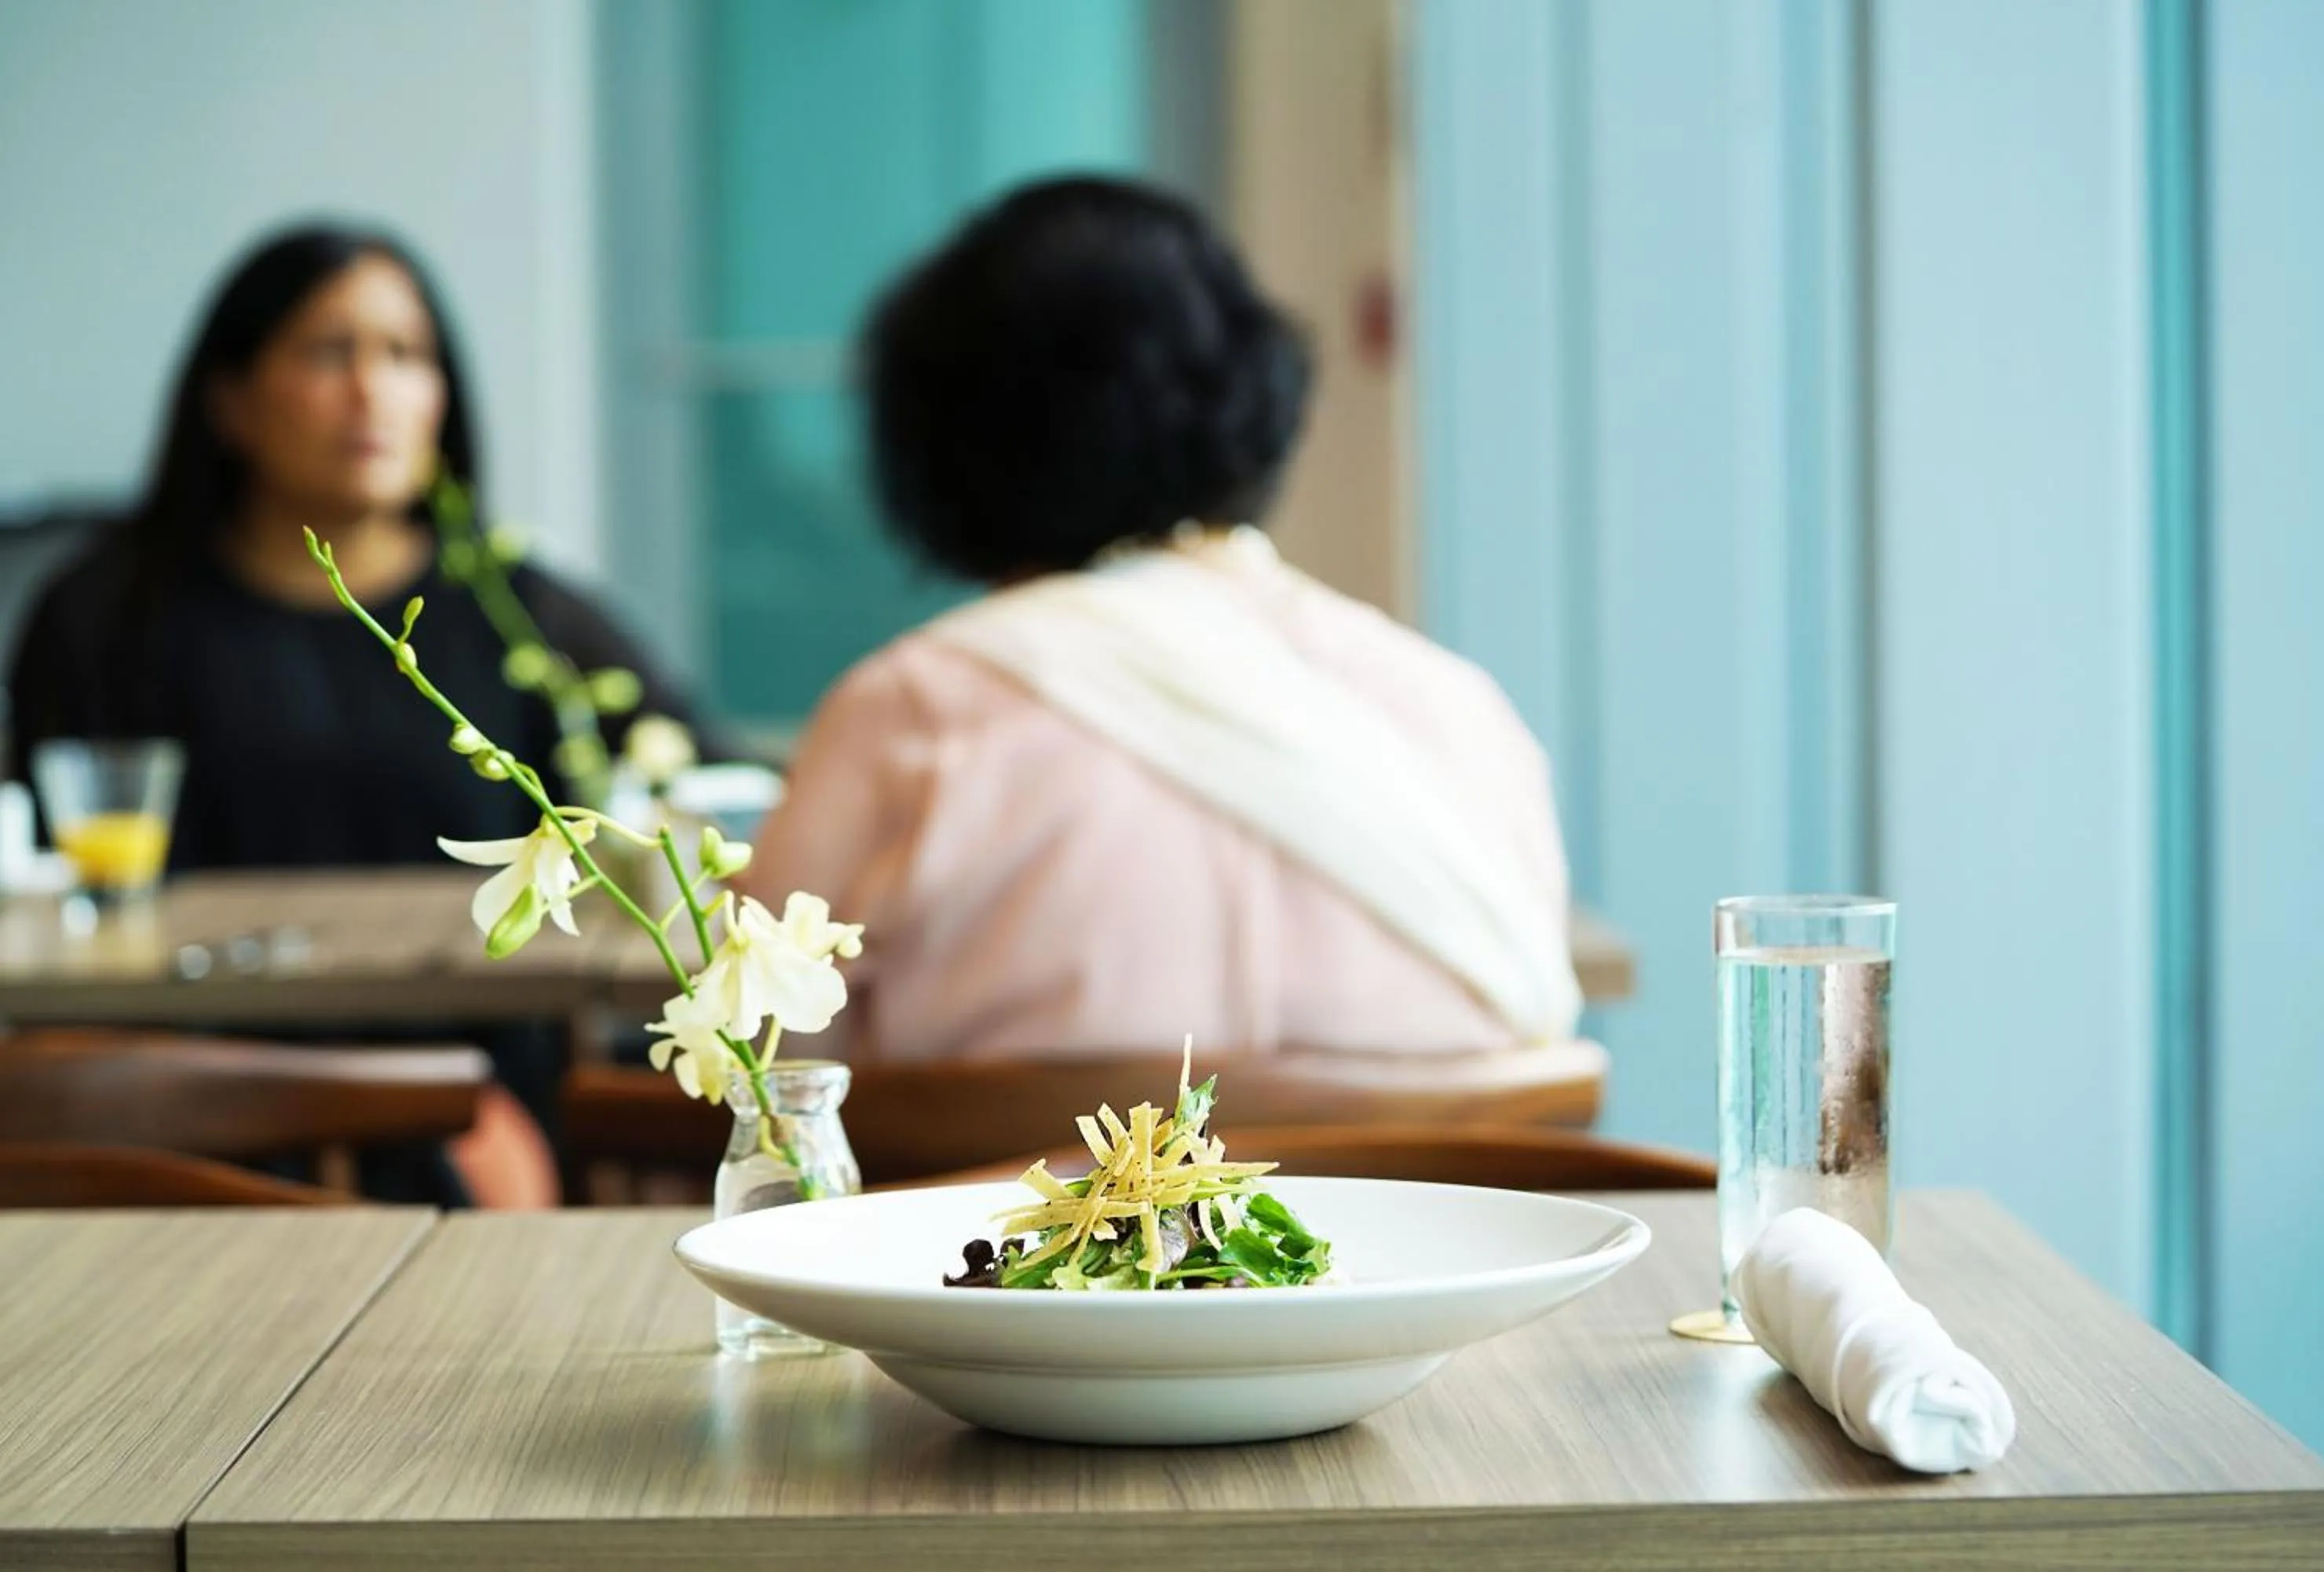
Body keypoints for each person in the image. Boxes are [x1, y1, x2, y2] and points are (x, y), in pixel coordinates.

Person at [744, 176, 1582, 1071]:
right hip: (1409, 1213)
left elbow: (763, 1072)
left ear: (939, 447)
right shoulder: (1456, 710)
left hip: (1007, 1215)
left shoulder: (914, 714)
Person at [5, 223, 706, 1204]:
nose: (372, 392)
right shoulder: (103, 615)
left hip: (482, 1110)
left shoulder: (520, 611)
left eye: (406, 355)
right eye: (330, 352)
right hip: (180, 1119)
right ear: (230, 400)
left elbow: (693, 791)